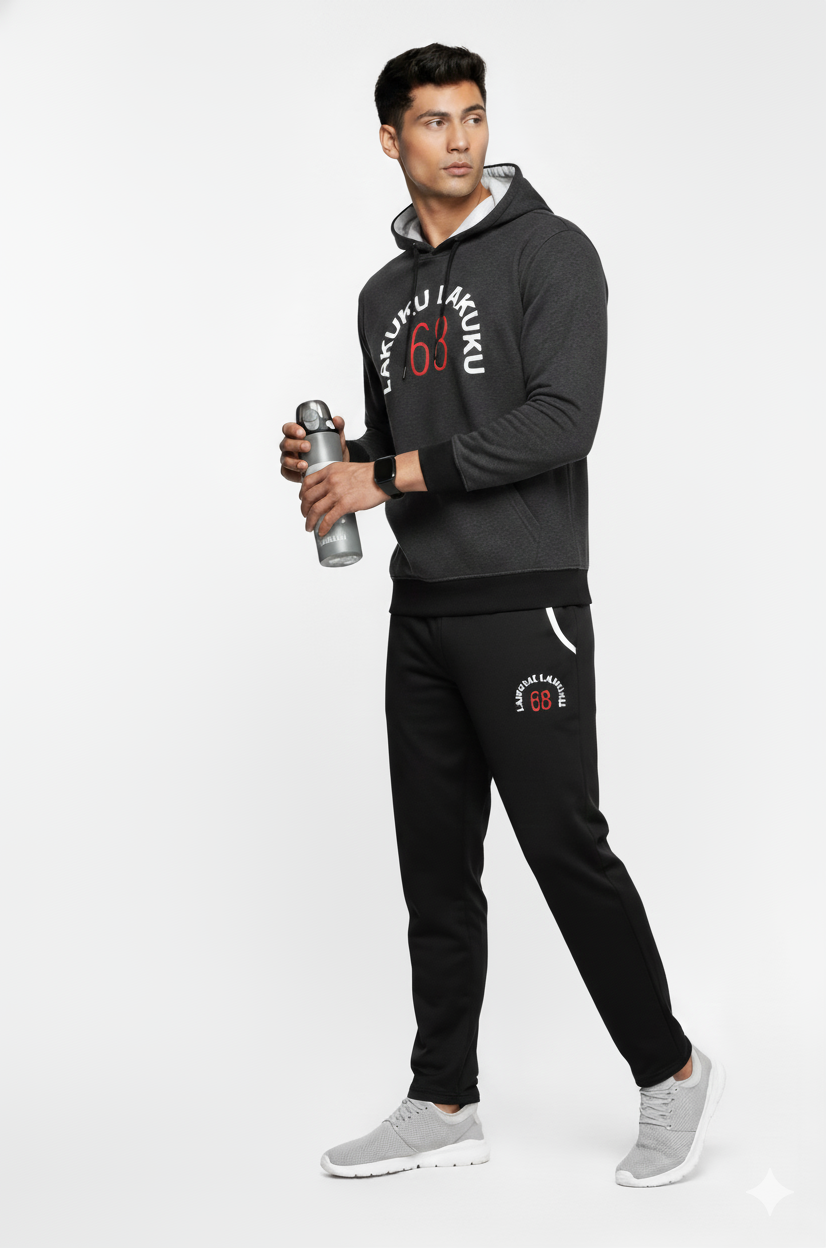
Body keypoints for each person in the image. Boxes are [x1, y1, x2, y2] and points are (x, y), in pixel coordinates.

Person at [279, 43, 725, 1185]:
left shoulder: (551, 251)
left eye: (473, 115)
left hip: (527, 604)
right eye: (434, 121)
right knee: (434, 867)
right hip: (421, 609)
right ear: (391, 139)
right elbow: (413, 444)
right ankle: (443, 1098)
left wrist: (387, 474)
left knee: (564, 847)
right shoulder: (382, 295)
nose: (460, 138)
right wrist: (340, 462)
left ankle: (671, 1069)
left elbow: (560, 422)